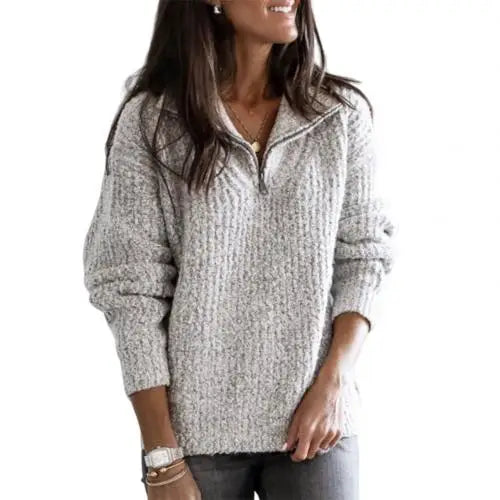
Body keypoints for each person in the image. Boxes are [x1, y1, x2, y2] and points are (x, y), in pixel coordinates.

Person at [82, 0, 395, 498]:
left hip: (317, 424)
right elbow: (129, 289)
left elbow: (364, 255)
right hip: (193, 438)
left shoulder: (338, 115)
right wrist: (161, 455)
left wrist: (335, 381)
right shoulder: (153, 120)